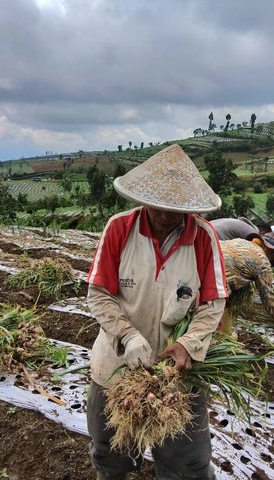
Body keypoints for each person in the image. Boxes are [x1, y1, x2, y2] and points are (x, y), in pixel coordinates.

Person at [86, 144, 228, 480]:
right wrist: (128, 335)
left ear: (188, 207)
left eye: (173, 209)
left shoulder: (205, 238)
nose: (163, 215)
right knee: (110, 454)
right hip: (116, 366)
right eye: (156, 207)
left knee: (187, 464)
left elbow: (213, 303)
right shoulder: (120, 229)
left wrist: (189, 343)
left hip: (176, 373)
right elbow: (99, 293)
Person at [217, 235, 274, 335]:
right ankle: (219, 337)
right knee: (212, 306)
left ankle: (224, 332)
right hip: (216, 275)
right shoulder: (262, 261)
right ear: (273, 254)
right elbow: (268, 298)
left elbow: (238, 270)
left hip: (201, 260)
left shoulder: (241, 242)